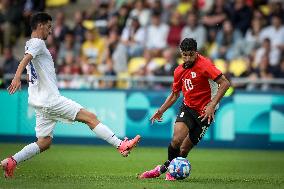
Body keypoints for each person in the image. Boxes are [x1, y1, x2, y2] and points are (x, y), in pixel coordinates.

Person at [1, 12, 141, 179]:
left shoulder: (29, 43)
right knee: (90, 117)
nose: (50, 31)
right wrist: (17, 76)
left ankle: (11, 161)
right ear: (40, 26)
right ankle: (121, 145)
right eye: (48, 26)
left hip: (38, 102)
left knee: (44, 142)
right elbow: (25, 59)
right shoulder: (37, 43)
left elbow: (28, 58)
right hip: (50, 100)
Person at [139, 38, 230, 180]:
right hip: (188, 108)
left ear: (196, 52)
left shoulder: (205, 65)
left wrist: (212, 105)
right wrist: (161, 110)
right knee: (176, 140)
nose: (187, 58)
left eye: (190, 54)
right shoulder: (179, 71)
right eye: (184, 55)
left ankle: (162, 169)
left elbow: (225, 83)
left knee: (184, 150)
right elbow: (175, 94)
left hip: (206, 113)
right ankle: (170, 173)